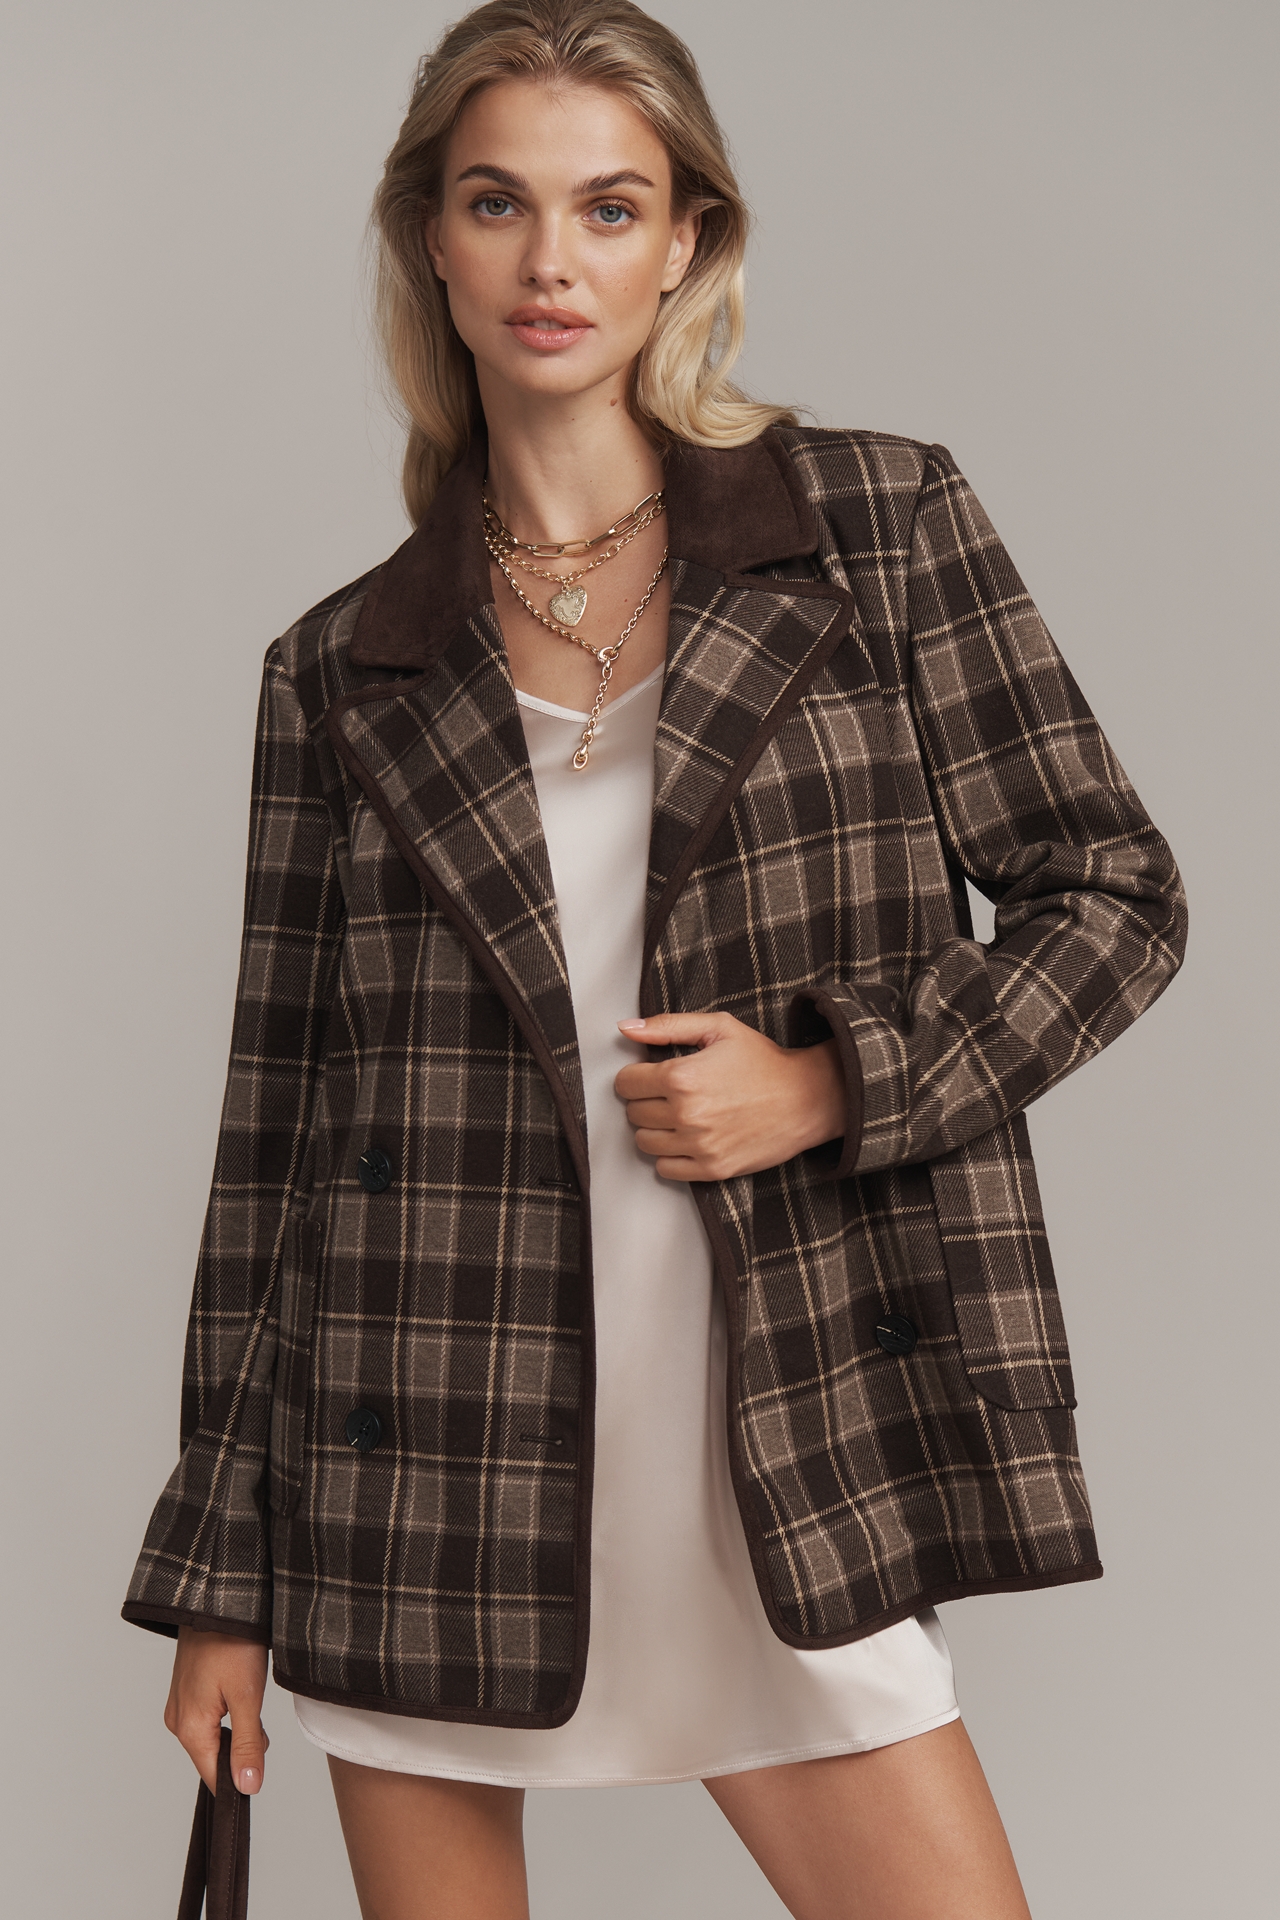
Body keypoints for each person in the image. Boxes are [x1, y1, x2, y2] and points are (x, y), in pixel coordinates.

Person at [122, 4, 1187, 1915]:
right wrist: (217, 1582)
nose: (553, 261)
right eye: (498, 204)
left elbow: (1114, 895)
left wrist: (832, 1079)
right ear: (431, 241)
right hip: (425, 1464)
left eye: (609, 208)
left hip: (782, 1429)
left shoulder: (874, 526)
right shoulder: (341, 666)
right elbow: (275, 1145)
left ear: (687, 240)